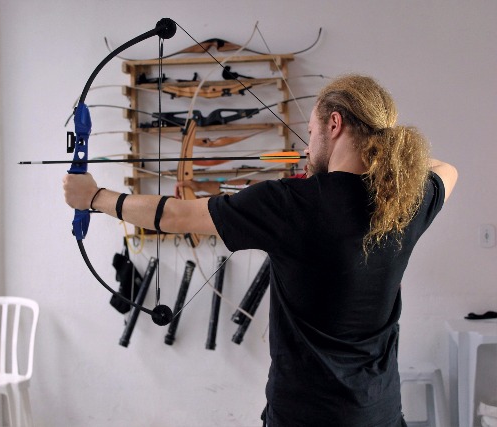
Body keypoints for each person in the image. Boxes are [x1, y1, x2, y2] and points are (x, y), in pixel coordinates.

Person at [63, 74, 458, 427]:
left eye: (312, 131)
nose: (307, 147)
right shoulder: (405, 202)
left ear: (334, 124)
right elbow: (447, 169)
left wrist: (95, 196)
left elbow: (177, 216)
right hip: (380, 414)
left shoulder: (290, 203)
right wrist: (395, 162)